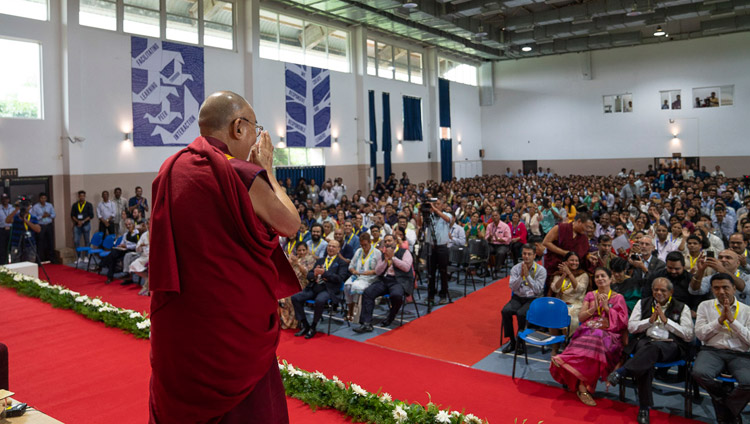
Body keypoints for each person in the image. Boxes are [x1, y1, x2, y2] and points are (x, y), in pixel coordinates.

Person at [149, 91, 301, 423]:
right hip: (229, 330)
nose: (255, 140)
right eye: (255, 128)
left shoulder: (170, 169)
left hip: (183, 324)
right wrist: (269, 172)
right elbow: (290, 224)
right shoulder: (238, 173)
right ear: (238, 127)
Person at [607, 277, 694, 424]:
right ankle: (643, 408)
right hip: (645, 342)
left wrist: (667, 321)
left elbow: (688, 335)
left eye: (663, 290)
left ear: (671, 291)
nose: (658, 293)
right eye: (656, 289)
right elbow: (632, 327)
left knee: (648, 353)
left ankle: (623, 374)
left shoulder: (682, 307)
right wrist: (650, 321)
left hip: (670, 345)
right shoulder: (642, 303)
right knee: (646, 359)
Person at [550, 267, 629, 407]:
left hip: (610, 335)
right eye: (597, 276)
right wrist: (593, 309)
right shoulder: (590, 295)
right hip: (589, 331)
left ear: (611, 279)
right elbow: (581, 316)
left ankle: (567, 362)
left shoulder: (618, 298)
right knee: (590, 340)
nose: (600, 278)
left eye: (603, 276)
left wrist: (606, 308)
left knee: (596, 339)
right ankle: (584, 388)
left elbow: (622, 322)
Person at [692, 273, 750, 424]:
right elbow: (700, 334)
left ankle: (727, 410)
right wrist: (719, 321)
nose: (721, 291)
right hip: (712, 350)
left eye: (725, 287)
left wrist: (732, 321)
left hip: (740, 353)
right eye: (716, 288)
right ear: (711, 290)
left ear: (734, 288)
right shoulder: (704, 306)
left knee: (749, 381)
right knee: (699, 373)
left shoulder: (747, 310)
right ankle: (725, 399)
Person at [354, 234, 415, 332]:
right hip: (385, 280)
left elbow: (406, 267)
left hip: (399, 281)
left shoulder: (405, 252)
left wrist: (393, 258)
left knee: (396, 295)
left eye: (389, 240)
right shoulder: (383, 254)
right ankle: (366, 323)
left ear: (395, 241)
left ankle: (391, 316)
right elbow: (378, 271)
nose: (387, 243)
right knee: (368, 292)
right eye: (385, 241)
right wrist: (386, 261)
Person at [291, 240, 349, 339]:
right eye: (329, 246)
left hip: (329, 289)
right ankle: (305, 325)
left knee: (320, 300)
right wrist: (313, 274)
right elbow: (309, 274)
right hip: (315, 286)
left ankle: (313, 327)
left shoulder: (341, 263)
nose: (330, 248)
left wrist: (324, 273)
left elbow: (340, 278)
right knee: (295, 298)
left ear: (338, 249)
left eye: (333, 247)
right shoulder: (320, 260)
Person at [501, 244, 547, 354]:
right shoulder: (516, 268)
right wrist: (521, 277)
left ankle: (521, 342)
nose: (526, 256)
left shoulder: (541, 270)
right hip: (518, 297)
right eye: (524, 254)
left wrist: (527, 277)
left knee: (521, 314)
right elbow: (512, 286)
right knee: (505, 311)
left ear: (534, 255)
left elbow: (538, 290)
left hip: (533, 299)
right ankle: (512, 341)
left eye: (529, 254)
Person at [549, 252, 589, 352]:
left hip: (576, 304)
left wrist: (570, 274)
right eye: (571, 260)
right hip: (561, 303)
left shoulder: (583, 275)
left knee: (569, 318)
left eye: (576, 261)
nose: (574, 263)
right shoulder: (558, 274)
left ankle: (567, 344)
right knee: (552, 316)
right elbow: (555, 289)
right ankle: (555, 346)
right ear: (566, 262)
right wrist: (563, 275)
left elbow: (579, 289)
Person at [543, 213, 594, 290]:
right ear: (579, 221)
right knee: (552, 289)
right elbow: (546, 242)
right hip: (555, 265)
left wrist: (588, 256)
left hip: (572, 270)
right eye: (586, 226)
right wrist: (563, 252)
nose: (587, 230)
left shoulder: (584, 238)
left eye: (589, 228)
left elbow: (583, 252)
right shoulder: (560, 228)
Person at [416, 197, 452, 305]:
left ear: (442, 206)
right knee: (431, 273)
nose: (435, 206)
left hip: (442, 247)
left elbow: (448, 219)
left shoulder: (447, 215)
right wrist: (419, 212)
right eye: (434, 204)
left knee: (443, 272)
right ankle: (431, 295)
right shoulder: (429, 216)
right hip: (431, 247)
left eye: (437, 204)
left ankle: (443, 295)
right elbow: (419, 224)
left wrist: (434, 209)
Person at [343, 233, 381, 322]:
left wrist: (370, 272)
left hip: (371, 278)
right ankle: (350, 311)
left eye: (365, 245)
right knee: (347, 285)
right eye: (362, 245)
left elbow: (380, 270)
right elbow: (351, 265)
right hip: (357, 275)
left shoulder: (377, 253)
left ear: (370, 242)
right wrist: (353, 271)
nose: (364, 247)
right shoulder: (359, 251)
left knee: (357, 287)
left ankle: (357, 313)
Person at [279, 243, 315, 329]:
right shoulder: (295, 258)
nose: (301, 252)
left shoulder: (310, 259)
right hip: (291, 282)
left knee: (290, 296)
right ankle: (285, 320)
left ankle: (293, 323)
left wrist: (297, 264)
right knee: (281, 294)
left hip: (303, 284)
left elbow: (307, 274)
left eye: (303, 250)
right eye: (299, 250)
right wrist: (289, 263)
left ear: (307, 250)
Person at [102, 218, 139, 284]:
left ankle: (102, 265)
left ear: (133, 225)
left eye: (129, 224)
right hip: (124, 250)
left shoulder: (137, 233)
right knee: (113, 254)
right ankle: (109, 276)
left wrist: (127, 246)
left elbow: (137, 245)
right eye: (126, 225)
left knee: (112, 255)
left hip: (132, 251)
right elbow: (122, 242)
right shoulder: (126, 234)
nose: (128, 226)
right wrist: (120, 245)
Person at [31, 192, 56, 262]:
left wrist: (49, 215)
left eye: (45, 198)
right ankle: (40, 259)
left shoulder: (49, 205)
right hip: (40, 225)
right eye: (42, 198)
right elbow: (33, 217)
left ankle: (51, 258)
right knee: (40, 242)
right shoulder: (35, 207)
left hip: (48, 225)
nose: (43, 199)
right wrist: (41, 216)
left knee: (50, 242)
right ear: (39, 199)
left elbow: (54, 215)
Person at [485, 210, 511, 276]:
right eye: (493, 216)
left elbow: (508, 239)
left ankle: (496, 269)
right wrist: (489, 237)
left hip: (502, 245)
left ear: (499, 216)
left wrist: (499, 239)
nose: (494, 217)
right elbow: (486, 238)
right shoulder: (489, 226)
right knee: (485, 251)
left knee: (500, 252)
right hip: (492, 244)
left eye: (496, 215)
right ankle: (486, 271)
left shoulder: (505, 226)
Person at [70, 190, 94, 260]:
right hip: (77, 225)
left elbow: (91, 216)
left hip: (86, 224)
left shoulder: (89, 205)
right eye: (80, 196)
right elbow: (72, 215)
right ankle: (79, 257)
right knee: (76, 241)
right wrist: (78, 221)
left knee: (87, 241)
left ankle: (86, 256)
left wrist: (83, 221)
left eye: (83, 196)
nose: (82, 197)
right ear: (78, 196)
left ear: (85, 196)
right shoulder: (75, 205)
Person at [0, 194, 13, 265]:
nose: (5, 200)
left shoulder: (12, 208)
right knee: (2, 248)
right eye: (3, 199)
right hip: (2, 230)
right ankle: (3, 264)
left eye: (6, 199)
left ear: (9, 200)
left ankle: (13, 263)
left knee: (12, 247)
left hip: (11, 230)